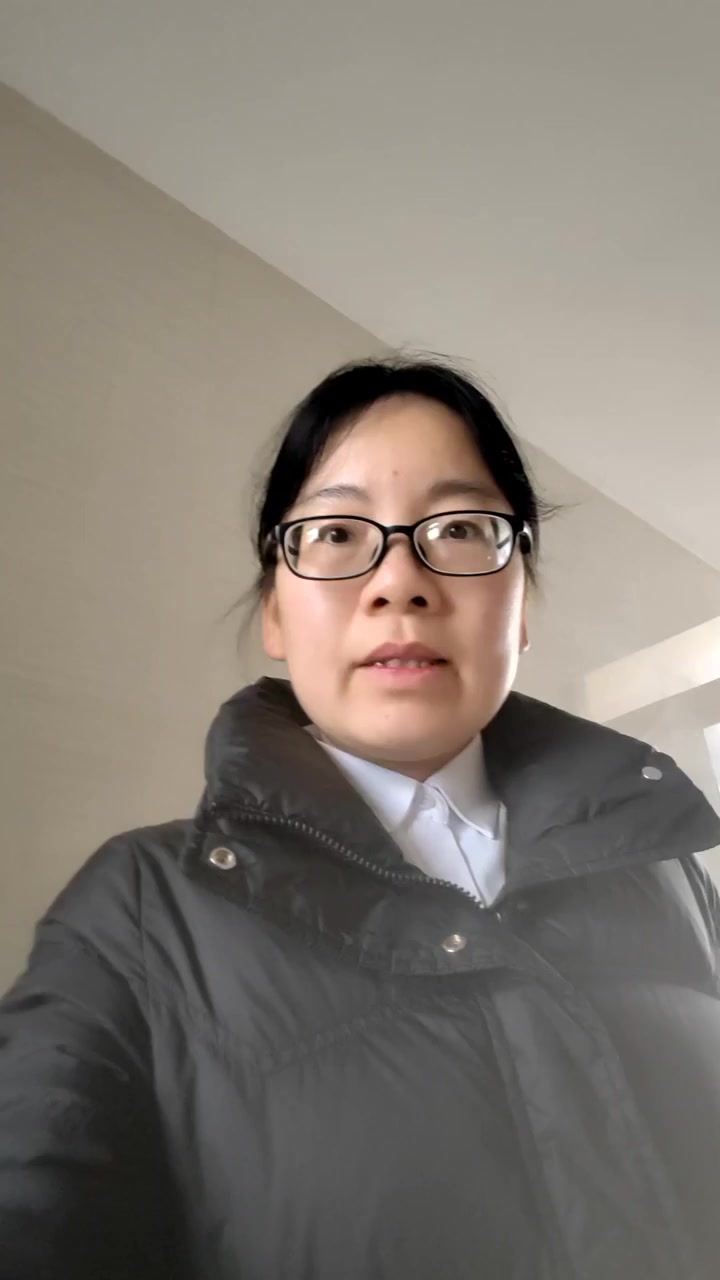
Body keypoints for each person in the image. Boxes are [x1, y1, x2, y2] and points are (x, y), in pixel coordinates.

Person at [1, 356, 719, 1280]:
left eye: (460, 528)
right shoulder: (140, 909)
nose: (399, 582)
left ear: (521, 606)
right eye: (337, 534)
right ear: (275, 611)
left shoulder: (667, 876)